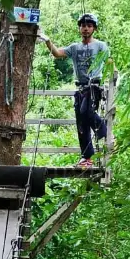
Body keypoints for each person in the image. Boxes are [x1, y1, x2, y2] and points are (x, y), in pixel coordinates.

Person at [39, 13, 110, 167]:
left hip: (94, 86)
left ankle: (107, 135)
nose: (86, 29)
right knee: (81, 124)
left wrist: (113, 82)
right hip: (80, 88)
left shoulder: (101, 46)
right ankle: (86, 158)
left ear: (94, 29)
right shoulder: (74, 47)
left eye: (89, 26)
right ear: (79, 28)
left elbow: (109, 64)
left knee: (86, 112)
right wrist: (47, 40)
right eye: (83, 26)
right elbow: (57, 54)